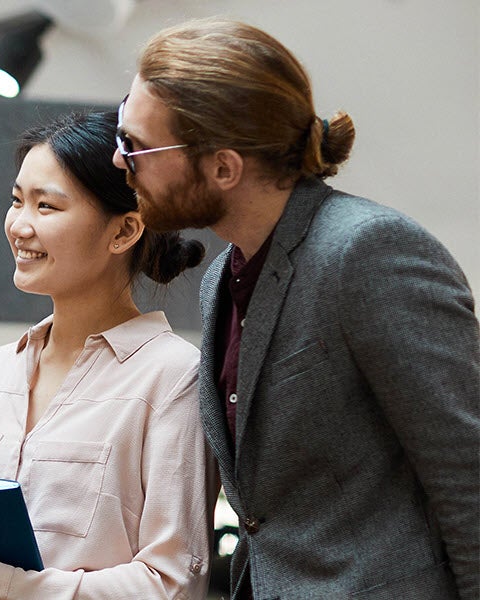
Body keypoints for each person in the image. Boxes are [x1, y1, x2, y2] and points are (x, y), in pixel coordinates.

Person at [113, 18, 480, 598]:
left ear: (224, 167)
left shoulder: (368, 251)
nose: (119, 159)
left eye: (135, 145)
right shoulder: (219, 281)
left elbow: (468, 471)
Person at [0, 111, 211, 600]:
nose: (19, 226)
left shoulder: (174, 376)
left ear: (124, 231)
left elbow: (174, 583)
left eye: (46, 206)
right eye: (16, 201)